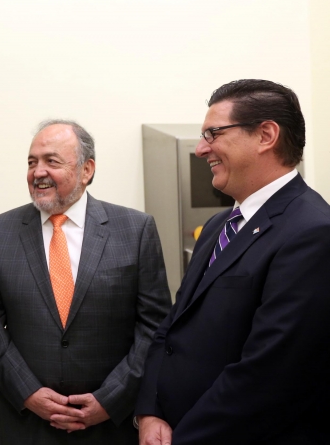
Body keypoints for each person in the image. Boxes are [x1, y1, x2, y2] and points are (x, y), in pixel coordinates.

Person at [136, 80, 330, 445]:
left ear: (266, 135)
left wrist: (184, 439)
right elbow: (173, 326)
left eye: (213, 133)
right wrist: (150, 411)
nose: (200, 149)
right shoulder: (218, 225)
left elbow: (270, 376)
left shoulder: (313, 232)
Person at [0, 120, 171, 444]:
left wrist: (110, 399)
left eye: (51, 161)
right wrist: (28, 392)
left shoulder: (135, 230)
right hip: (27, 425)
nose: (38, 172)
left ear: (86, 169)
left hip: (111, 426)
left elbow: (155, 325)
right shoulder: (0, 232)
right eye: (32, 162)